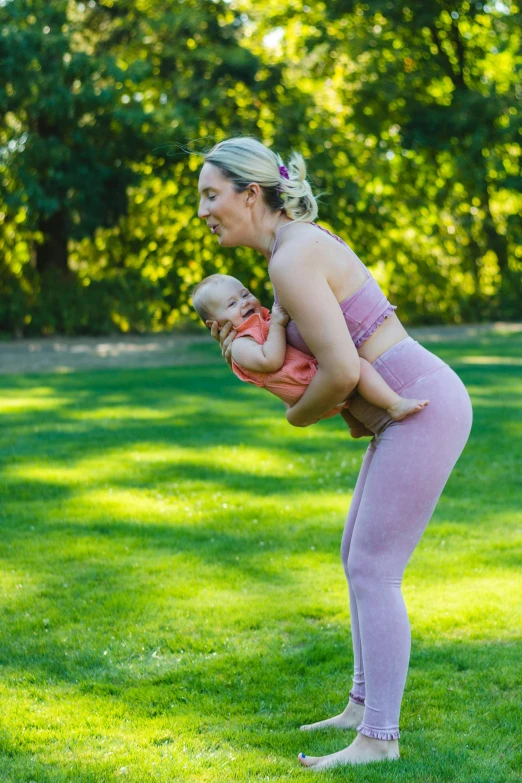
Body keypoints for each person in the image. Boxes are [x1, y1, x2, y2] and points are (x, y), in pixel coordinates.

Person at [196, 136, 472, 770]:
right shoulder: (296, 245)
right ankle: (360, 704)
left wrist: (296, 415)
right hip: (411, 402)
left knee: (375, 569)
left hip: (420, 403)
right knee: (357, 555)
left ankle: (379, 737)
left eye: (213, 195)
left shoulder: (291, 259)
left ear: (251, 193)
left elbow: (342, 371)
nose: (205, 210)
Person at [191, 272, 430, 434]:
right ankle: (394, 404)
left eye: (244, 294)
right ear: (216, 325)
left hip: (308, 380)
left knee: (350, 391)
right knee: (358, 367)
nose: (244, 302)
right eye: (231, 304)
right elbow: (270, 360)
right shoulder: (240, 345)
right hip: (306, 387)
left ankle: (356, 426)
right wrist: (278, 324)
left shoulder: (258, 322)